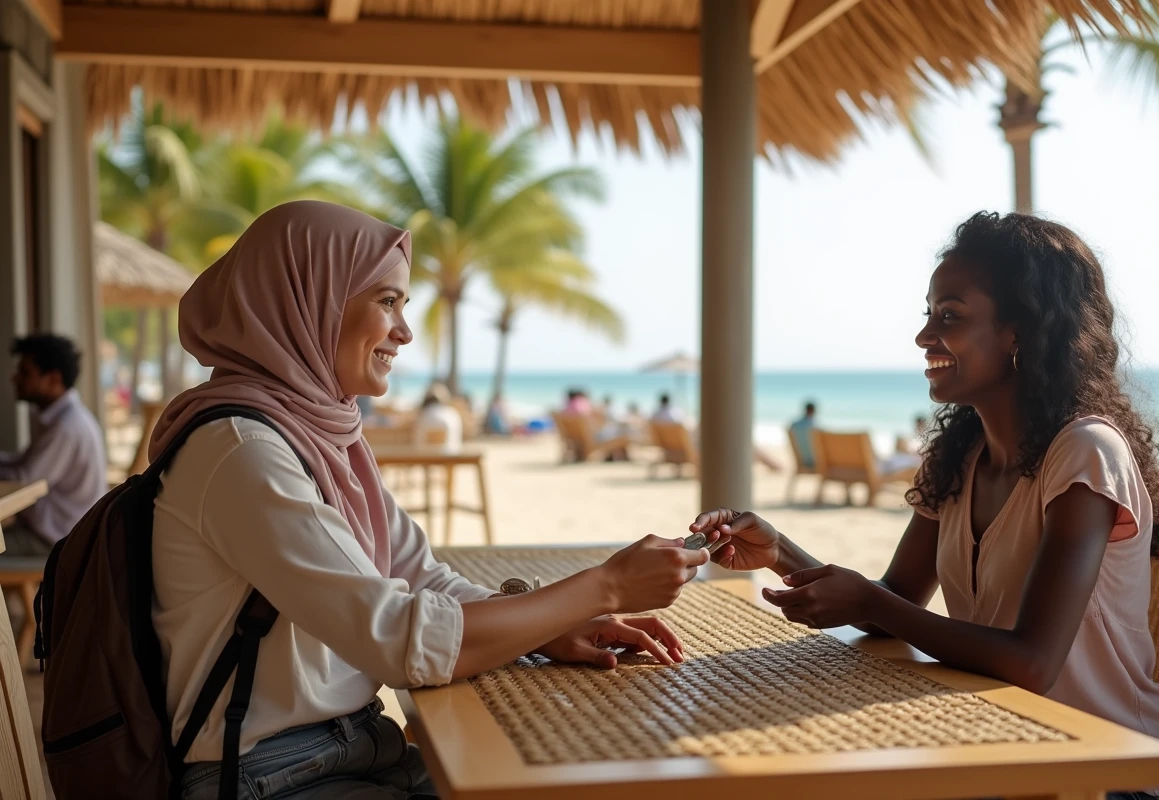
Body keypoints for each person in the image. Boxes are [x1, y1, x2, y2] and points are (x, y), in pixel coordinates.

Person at [149, 201, 710, 799]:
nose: (404, 331)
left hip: (350, 749)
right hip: (264, 776)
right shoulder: (241, 449)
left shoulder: (316, 434)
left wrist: (548, 627)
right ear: (309, 300)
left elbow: (420, 577)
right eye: (385, 302)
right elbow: (397, 640)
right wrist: (605, 587)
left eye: (403, 305)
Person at [691, 213, 1159, 799]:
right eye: (928, 315)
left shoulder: (1084, 453)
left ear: (1020, 331)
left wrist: (872, 601)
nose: (925, 337)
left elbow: (1031, 663)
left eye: (949, 316)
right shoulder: (959, 457)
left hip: (1103, 776)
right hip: (998, 749)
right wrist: (780, 552)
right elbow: (892, 602)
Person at [0, 334, 107, 556]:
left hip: (58, 541)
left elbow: (22, 479)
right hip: (54, 531)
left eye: (25, 373)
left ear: (53, 379)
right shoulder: (62, 418)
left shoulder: (66, 427)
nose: (15, 378)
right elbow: (24, 463)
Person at [414, 382, 462, 447]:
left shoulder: (424, 415)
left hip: (425, 456)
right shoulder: (452, 414)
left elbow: (418, 441)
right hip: (451, 455)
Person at [788, 401, 818, 469]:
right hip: (814, 461)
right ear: (813, 411)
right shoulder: (815, 426)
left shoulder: (794, 425)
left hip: (801, 459)